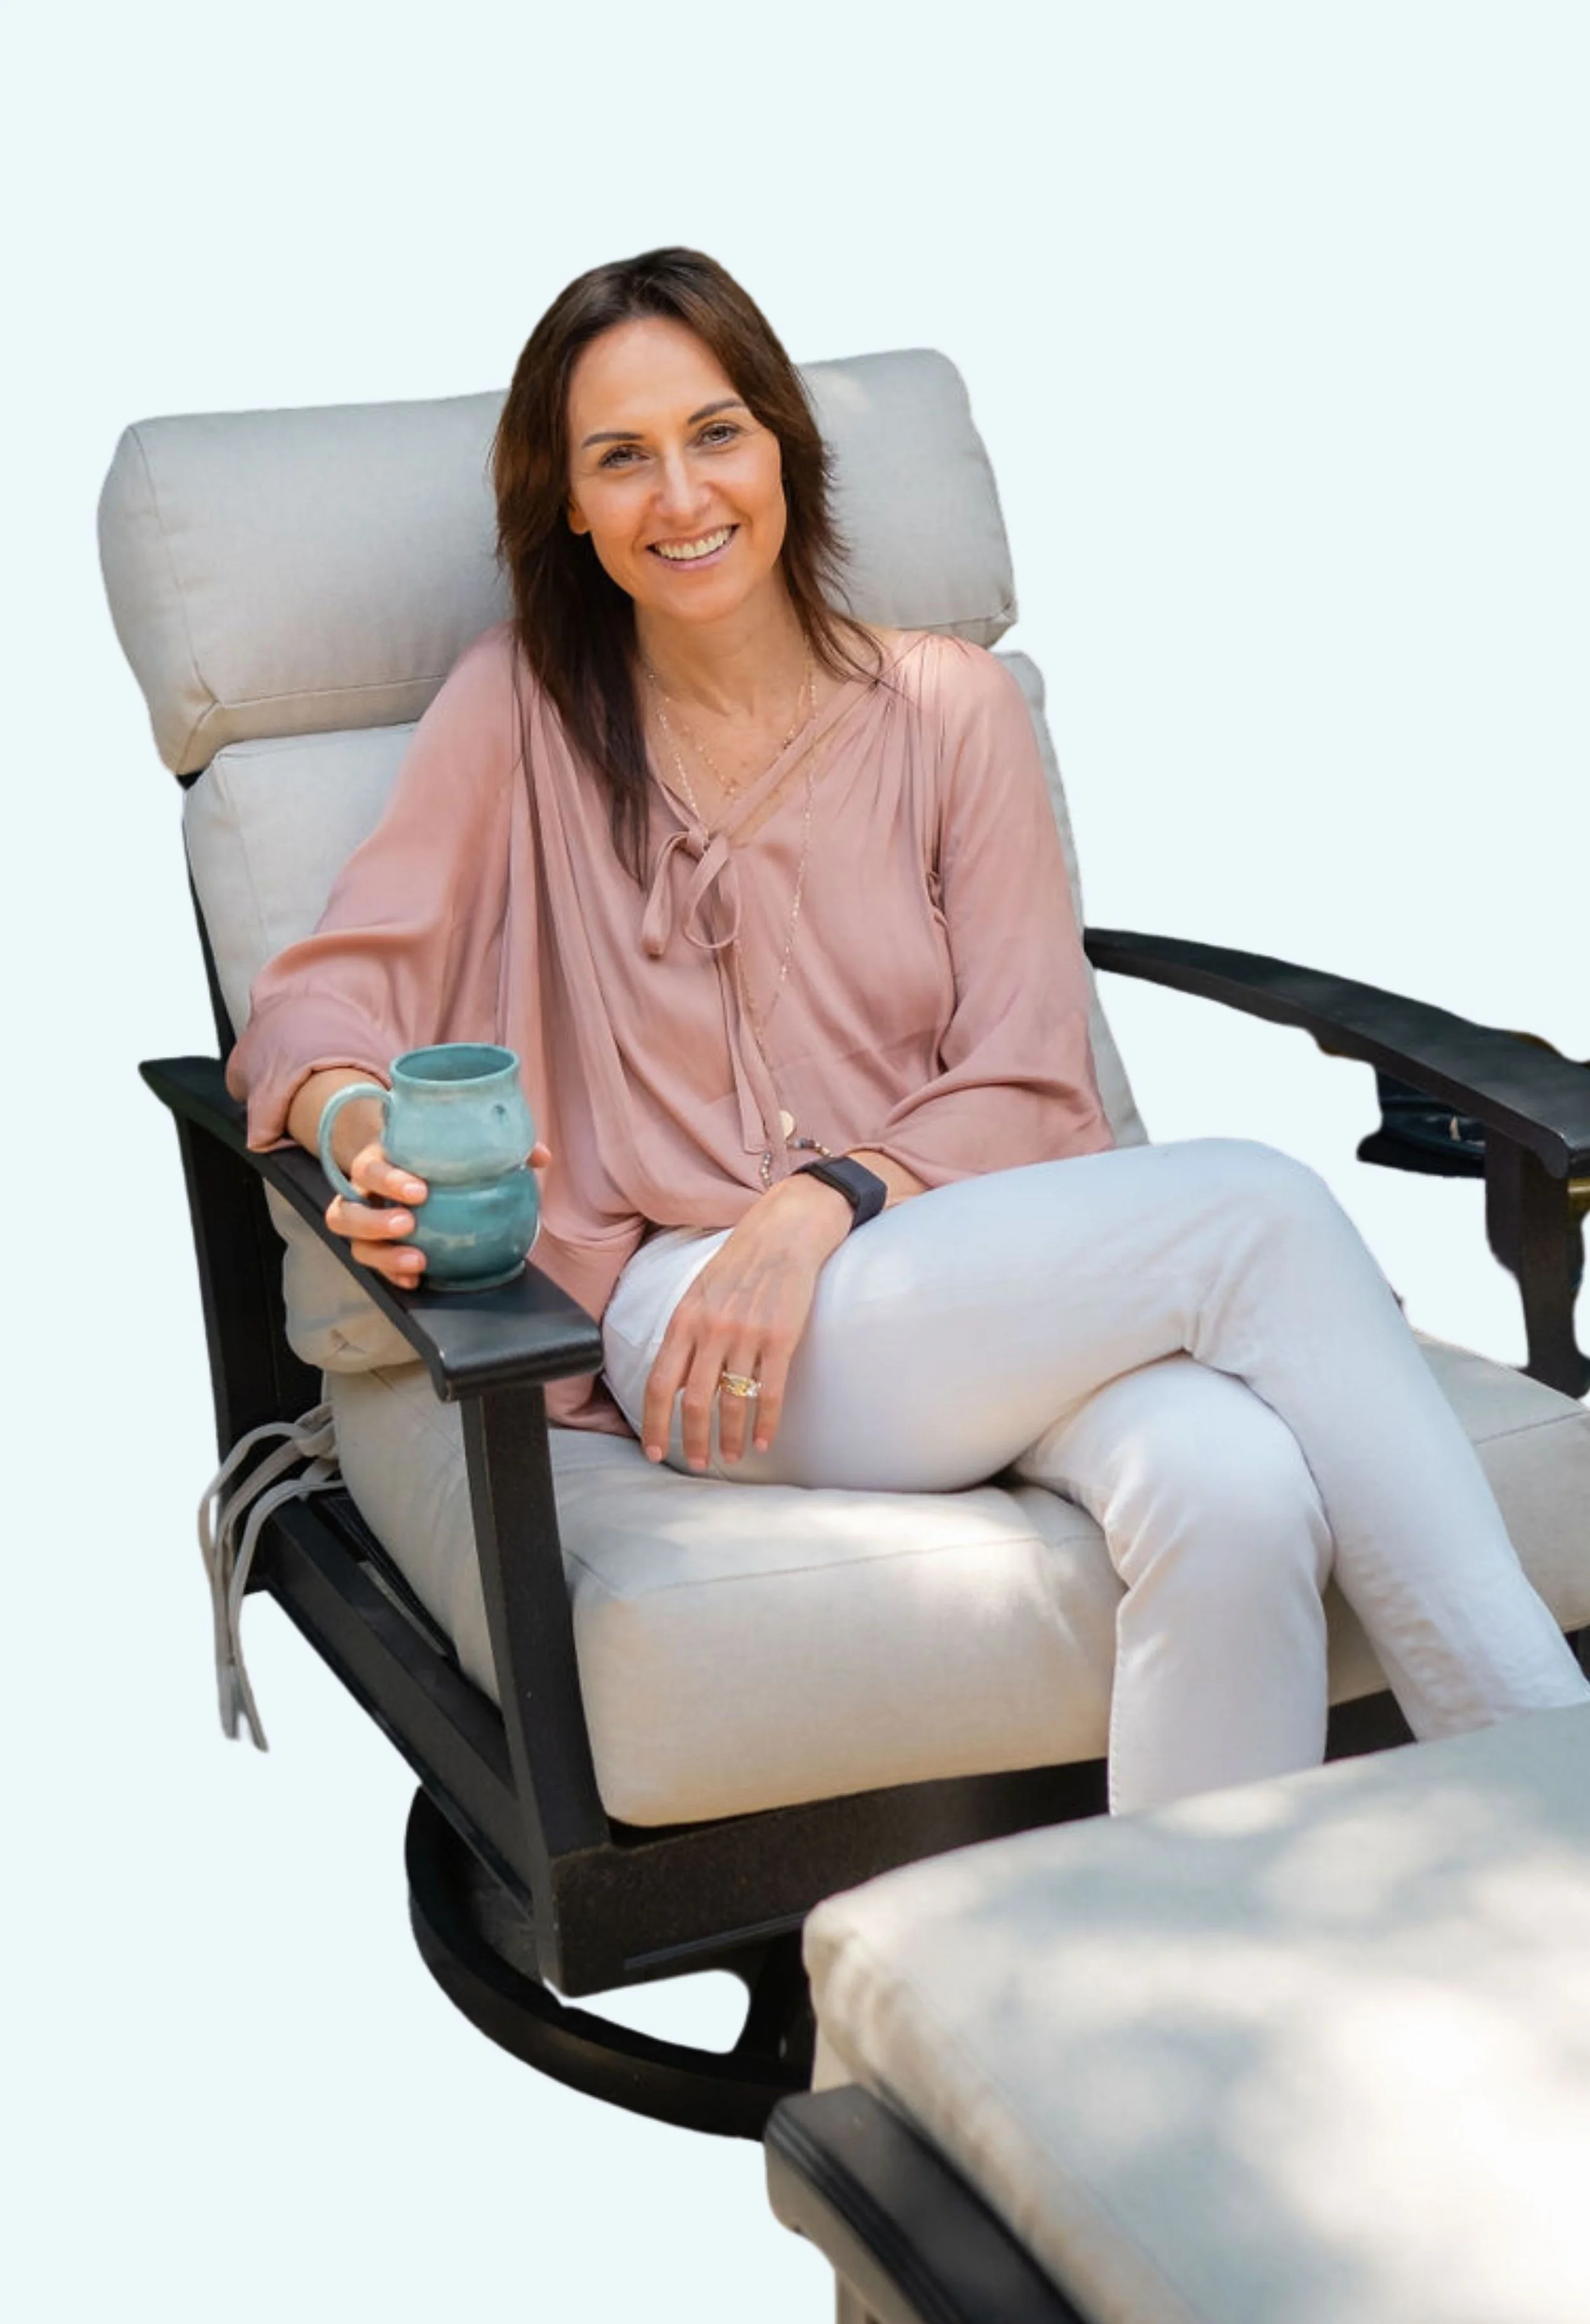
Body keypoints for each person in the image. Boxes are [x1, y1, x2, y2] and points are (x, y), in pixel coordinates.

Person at [228, 247, 1589, 1813]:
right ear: (572, 511)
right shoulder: (520, 704)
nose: (681, 494)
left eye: (715, 432)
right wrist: (354, 1127)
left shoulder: (949, 711)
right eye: (621, 457)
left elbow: (1030, 1081)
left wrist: (829, 1201)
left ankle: (1163, 2012)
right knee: (1258, 1209)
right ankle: (1549, 1804)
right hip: (696, 1321)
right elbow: (319, 998)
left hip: (972, 1263)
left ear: (786, 453)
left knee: (1233, 1489)